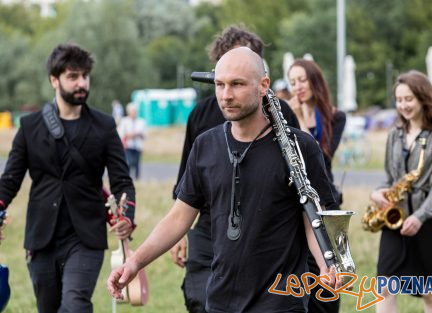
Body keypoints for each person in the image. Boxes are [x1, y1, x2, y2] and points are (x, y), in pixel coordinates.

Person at [108, 47, 341, 313]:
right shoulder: (205, 146)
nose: (226, 95)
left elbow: (313, 217)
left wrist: (326, 263)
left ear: (263, 85)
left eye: (237, 84)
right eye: (220, 85)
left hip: (279, 302)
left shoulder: (299, 147)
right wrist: (135, 262)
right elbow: (179, 217)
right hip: (220, 301)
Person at [170, 25, 300, 313]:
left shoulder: (281, 114)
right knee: (199, 299)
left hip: (262, 231)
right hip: (207, 226)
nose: (229, 91)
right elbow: (184, 182)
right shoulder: (201, 115)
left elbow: (300, 183)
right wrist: (179, 235)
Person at [0, 43, 136, 313]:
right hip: (41, 238)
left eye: (84, 76)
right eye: (72, 76)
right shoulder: (30, 127)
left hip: (86, 236)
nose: (81, 83)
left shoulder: (105, 126)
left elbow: (122, 181)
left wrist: (127, 216)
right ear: (54, 80)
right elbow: (9, 181)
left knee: (75, 305)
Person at [370, 70, 432, 313]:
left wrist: (420, 217)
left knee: (431, 293)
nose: (403, 105)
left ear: (423, 98)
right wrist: (377, 193)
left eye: (409, 99)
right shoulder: (394, 134)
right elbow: (390, 177)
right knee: (384, 287)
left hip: (428, 221)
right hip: (395, 219)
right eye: (399, 100)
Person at [287, 59, 346, 313]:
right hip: (294, 202)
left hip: (324, 200)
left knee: (330, 263)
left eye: (302, 80)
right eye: (292, 82)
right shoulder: (284, 115)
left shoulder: (334, 116)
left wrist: (298, 118)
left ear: (315, 81)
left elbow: (320, 157)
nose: (298, 87)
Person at [118, 102, 146, 180]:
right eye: (132, 111)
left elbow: (144, 134)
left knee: (137, 163)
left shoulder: (141, 122)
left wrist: (135, 134)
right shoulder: (124, 121)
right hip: (128, 145)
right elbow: (121, 134)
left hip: (137, 145)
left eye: (135, 111)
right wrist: (129, 135)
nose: (133, 113)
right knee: (129, 162)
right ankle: (128, 178)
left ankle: (137, 179)